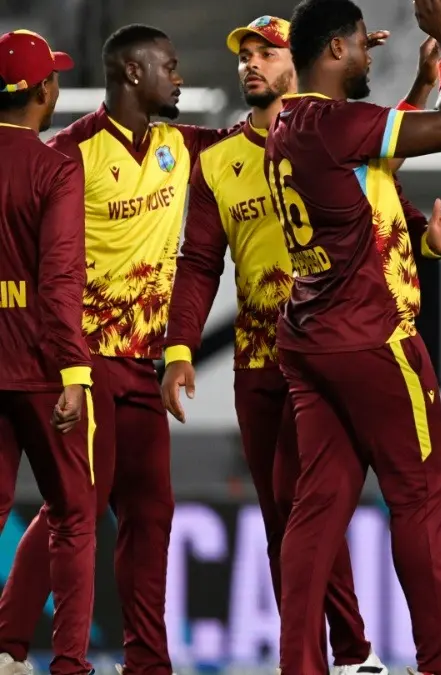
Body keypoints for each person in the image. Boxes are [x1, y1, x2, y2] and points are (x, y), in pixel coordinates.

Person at [158, 16, 441, 675]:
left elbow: (389, 189)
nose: (250, 64)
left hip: (334, 343)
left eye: (267, 52)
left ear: (301, 60)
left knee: (312, 506)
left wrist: (428, 239)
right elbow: (200, 263)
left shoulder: (329, 133)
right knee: (289, 516)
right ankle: (341, 656)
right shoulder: (218, 160)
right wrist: (177, 350)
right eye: (245, 55)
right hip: (262, 358)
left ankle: (345, 655)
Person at [0, 24, 236, 675]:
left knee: (150, 507)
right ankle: (12, 643)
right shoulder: (71, 153)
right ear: (135, 74)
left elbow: (251, 145)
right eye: (172, 66)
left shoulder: (177, 145)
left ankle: (146, 660)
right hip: (87, 355)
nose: (181, 77)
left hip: (141, 362)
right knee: (76, 503)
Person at [265, 0, 441, 672]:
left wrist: (425, 239)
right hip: (374, 340)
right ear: (334, 50)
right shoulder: (334, 124)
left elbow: (365, 172)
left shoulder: (289, 126)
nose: (368, 55)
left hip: (310, 341)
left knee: (318, 508)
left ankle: (300, 664)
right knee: (420, 498)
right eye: (360, 46)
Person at [0, 30, 95, 675]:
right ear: (41, 92)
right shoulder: (55, 167)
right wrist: (74, 371)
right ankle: (68, 665)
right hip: (38, 364)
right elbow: (60, 279)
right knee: (74, 514)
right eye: (53, 78)